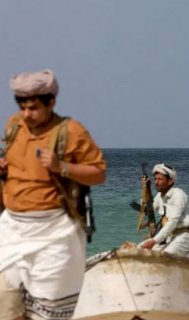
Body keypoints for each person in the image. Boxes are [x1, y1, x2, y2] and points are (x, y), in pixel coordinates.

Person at [0, 69, 106, 320]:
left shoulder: (71, 131)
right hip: (12, 230)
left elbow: (99, 174)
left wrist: (62, 167)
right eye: (22, 106)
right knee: (5, 304)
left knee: (49, 312)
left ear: (51, 102)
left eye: (33, 108)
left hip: (55, 233)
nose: (27, 114)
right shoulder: (14, 125)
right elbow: (16, 162)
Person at [139, 163, 189, 256]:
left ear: (170, 181)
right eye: (155, 179)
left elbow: (172, 222)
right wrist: (146, 189)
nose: (156, 182)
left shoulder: (178, 195)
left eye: (160, 179)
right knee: (138, 250)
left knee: (165, 256)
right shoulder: (160, 196)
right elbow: (148, 211)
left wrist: (154, 240)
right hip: (168, 238)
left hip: (184, 237)